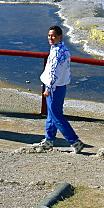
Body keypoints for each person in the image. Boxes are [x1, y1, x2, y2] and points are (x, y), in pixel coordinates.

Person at [32, 25, 88, 153]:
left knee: (56, 116)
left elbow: (54, 71)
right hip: (60, 86)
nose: (50, 38)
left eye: (53, 36)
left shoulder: (57, 52)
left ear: (60, 37)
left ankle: (74, 141)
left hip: (54, 88)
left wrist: (49, 88)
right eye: (49, 35)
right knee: (51, 115)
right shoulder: (63, 50)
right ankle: (49, 140)